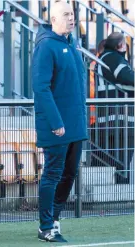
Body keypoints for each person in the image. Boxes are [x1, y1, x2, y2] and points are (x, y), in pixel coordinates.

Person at [32, 1, 88, 243]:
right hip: (56, 126)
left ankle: (54, 220)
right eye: (66, 15)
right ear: (53, 19)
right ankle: (45, 227)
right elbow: (40, 88)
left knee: (69, 174)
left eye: (72, 14)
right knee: (53, 174)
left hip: (75, 125)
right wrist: (55, 122)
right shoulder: (45, 47)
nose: (71, 18)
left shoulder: (72, 44)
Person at [91, 32, 134, 184]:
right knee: (122, 163)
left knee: (117, 161)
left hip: (112, 119)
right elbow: (127, 77)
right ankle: (121, 193)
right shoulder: (114, 58)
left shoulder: (106, 58)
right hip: (119, 119)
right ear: (121, 46)